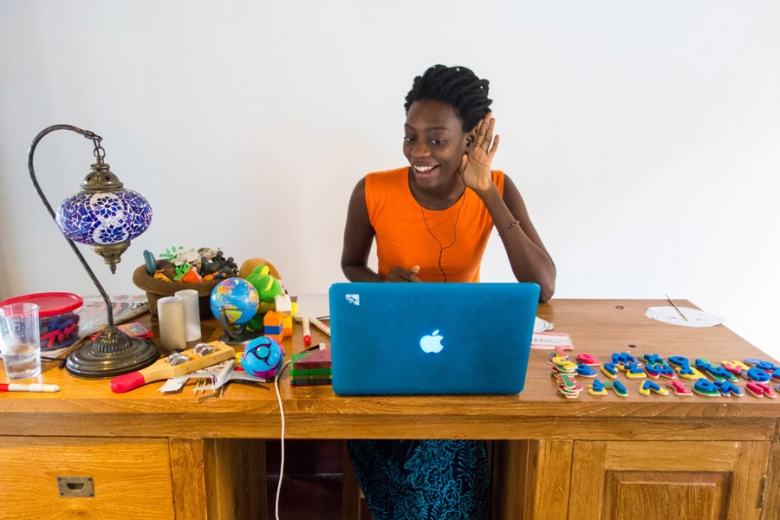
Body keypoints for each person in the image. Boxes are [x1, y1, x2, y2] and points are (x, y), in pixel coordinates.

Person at [340, 64, 556, 520]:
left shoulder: (496, 188)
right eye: (410, 136)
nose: (419, 151)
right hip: (389, 352)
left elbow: (544, 284)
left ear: (469, 140)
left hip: (463, 358)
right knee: (408, 461)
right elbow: (351, 265)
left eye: (436, 139)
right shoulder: (372, 190)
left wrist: (488, 195)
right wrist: (385, 286)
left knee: (446, 452)